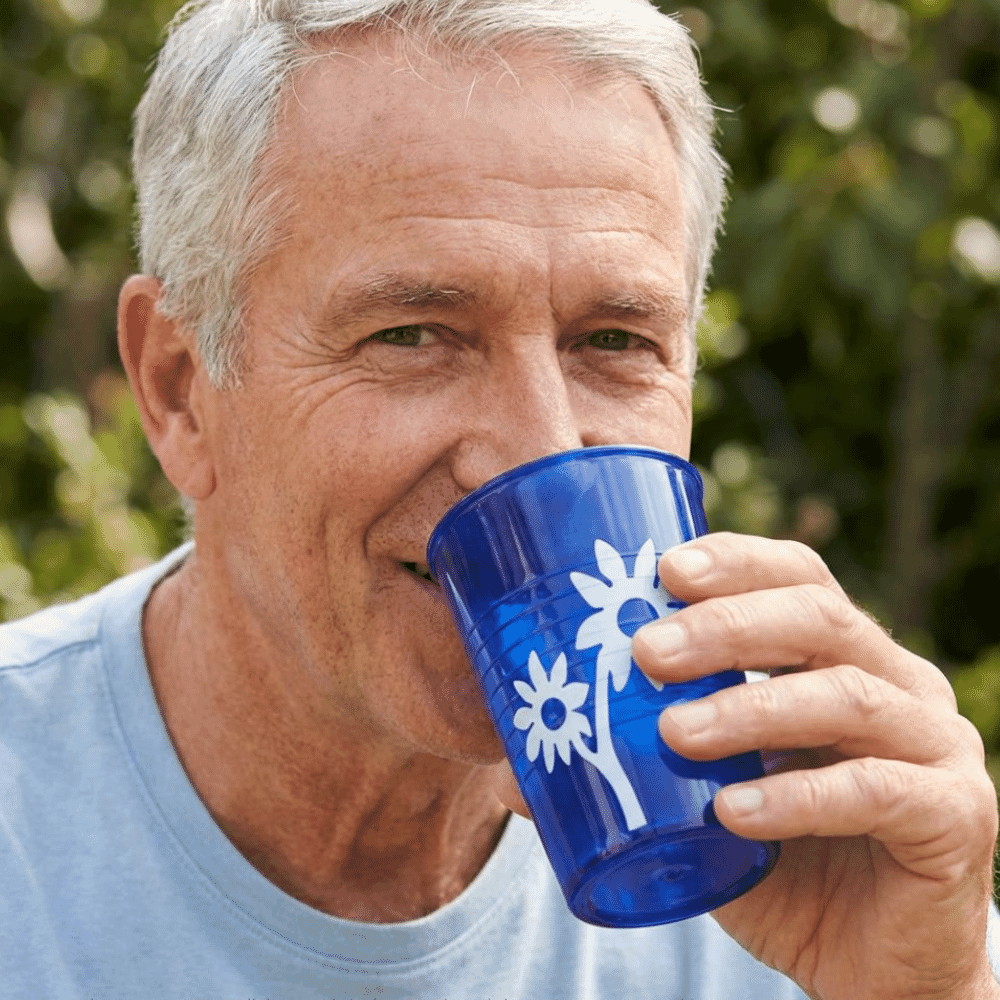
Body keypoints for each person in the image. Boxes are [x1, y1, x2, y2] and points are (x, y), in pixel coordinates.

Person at [2, 1, 997, 997]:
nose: (539, 451)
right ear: (179, 389)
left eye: (614, 342)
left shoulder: (803, 864)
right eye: (411, 334)